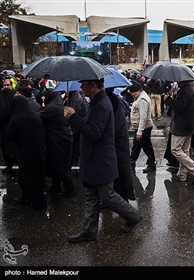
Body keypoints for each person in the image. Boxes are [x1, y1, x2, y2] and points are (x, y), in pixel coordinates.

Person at [64, 78, 142, 242]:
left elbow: (94, 133)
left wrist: (73, 117)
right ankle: (89, 231)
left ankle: (133, 216)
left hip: (101, 160)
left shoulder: (102, 104)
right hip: (93, 159)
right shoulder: (96, 101)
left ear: (93, 85)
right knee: (91, 196)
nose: (81, 87)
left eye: (84, 84)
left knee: (107, 196)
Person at [6, 96, 47, 209]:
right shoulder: (35, 116)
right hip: (39, 151)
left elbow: (10, 135)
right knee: (37, 178)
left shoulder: (17, 118)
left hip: (24, 153)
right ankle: (37, 200)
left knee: (25, 176)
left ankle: (30, 198)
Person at [164, 80, 194, 184]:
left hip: (181, 126)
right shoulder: (191, 90)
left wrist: (168, 100)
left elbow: (179, 107)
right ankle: (182, 174)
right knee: (185, 151)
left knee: (176, 150)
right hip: (189, 124)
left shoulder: (185, 91)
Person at [105, 87, 136, 203]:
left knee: (119, 171)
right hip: (118, 142)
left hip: (116, 143)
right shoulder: (113, 99)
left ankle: (128, 211)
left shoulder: (109, 100)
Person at [128, 81, 157, 173]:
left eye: (132, 92)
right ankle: (131, 163)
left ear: (137, 91)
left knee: (146, 147)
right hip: (139, 128)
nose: (131, 94)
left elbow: (143, 117)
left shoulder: (142, 100)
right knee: (136, 147)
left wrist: (140, 132)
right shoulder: (139, 97)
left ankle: (151, 164)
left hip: (144, 128)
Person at [0, 87, 18, 172]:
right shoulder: (15, 104)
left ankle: (9, 164)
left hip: (4, 130)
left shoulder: (2, 105)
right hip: (14, 128)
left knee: (6, 147)